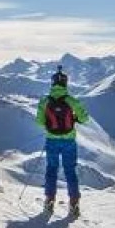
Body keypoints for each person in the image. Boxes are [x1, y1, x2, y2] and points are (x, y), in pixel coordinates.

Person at [37, 69, 93, 217]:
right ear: (65, 83)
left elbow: (39, 122)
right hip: (69, 140)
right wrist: (75, 118)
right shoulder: (71, 100)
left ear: (53, 83)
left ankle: (49, 200)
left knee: (51, 169)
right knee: (70, 171)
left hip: (51, 140)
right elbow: (85, 118)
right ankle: (74, 203)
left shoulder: (45, 101)